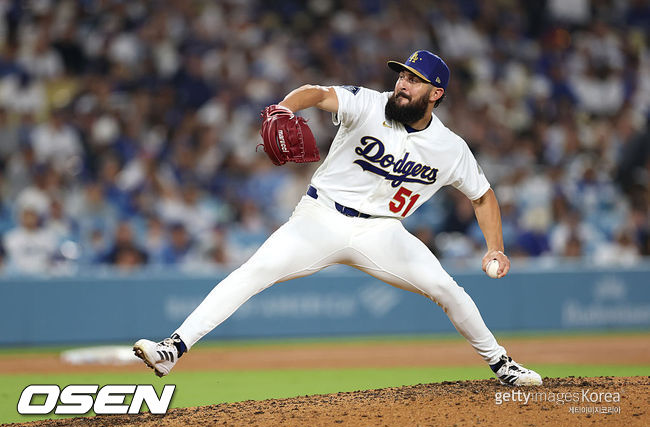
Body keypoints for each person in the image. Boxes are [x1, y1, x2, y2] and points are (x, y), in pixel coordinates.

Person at [134, 50, 542, 386]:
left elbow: (483, 196)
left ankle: (502, 364)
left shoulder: (450, 148)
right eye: (402, 75)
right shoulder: (368, 103)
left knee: (446, 288)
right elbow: (315, 93)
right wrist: (284, 109)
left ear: (436, 94)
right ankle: (173, 348)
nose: (403, 83)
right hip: (321, 217)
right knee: (254, 271)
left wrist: (495, 247)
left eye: (415, 80)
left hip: (382, 231)